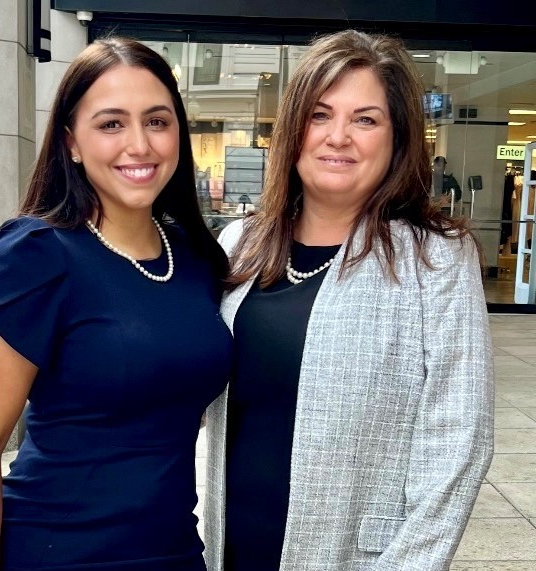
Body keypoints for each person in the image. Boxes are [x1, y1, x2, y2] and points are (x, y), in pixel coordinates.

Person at [204, 30, 494, 571]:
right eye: (320, 115)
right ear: (292, 131)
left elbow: (459, 445)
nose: (339, 137)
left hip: (360, 555)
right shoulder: (239, 243)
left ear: (397, 138)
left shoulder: (435, 259)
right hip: (232, 541)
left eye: (366, 119)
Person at [0, 37, 233, 571]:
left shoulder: (196, 255)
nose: (140, 145)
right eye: (111, 124)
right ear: (71, 142)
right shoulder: (34, 254)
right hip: (58, 549)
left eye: (157, 121)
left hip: (173, 548)